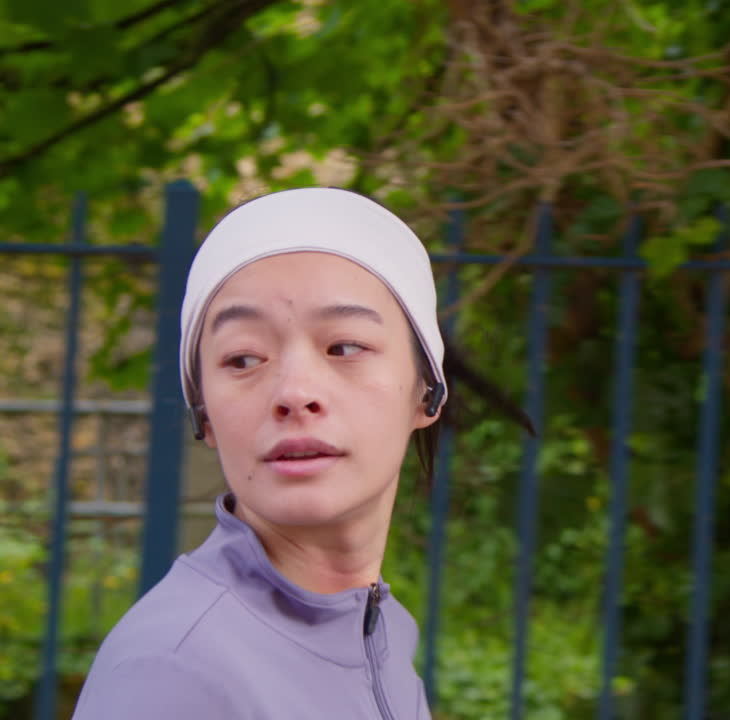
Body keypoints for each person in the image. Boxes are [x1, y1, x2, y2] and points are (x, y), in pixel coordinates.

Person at [72, 187, 454, 719]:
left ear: (427, 390)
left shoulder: (383, 634)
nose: (295, 392)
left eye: (344, 347)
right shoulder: (172, 673)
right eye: (244, 358)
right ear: (203, 413)